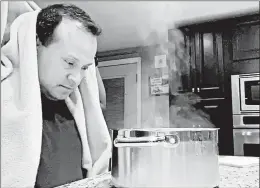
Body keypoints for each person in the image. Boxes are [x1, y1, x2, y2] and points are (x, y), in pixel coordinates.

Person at [1, 3, 111, 188]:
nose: (76, 79)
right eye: (69, 62)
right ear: (37, 43)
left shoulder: (80, 111)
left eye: (84, 68)